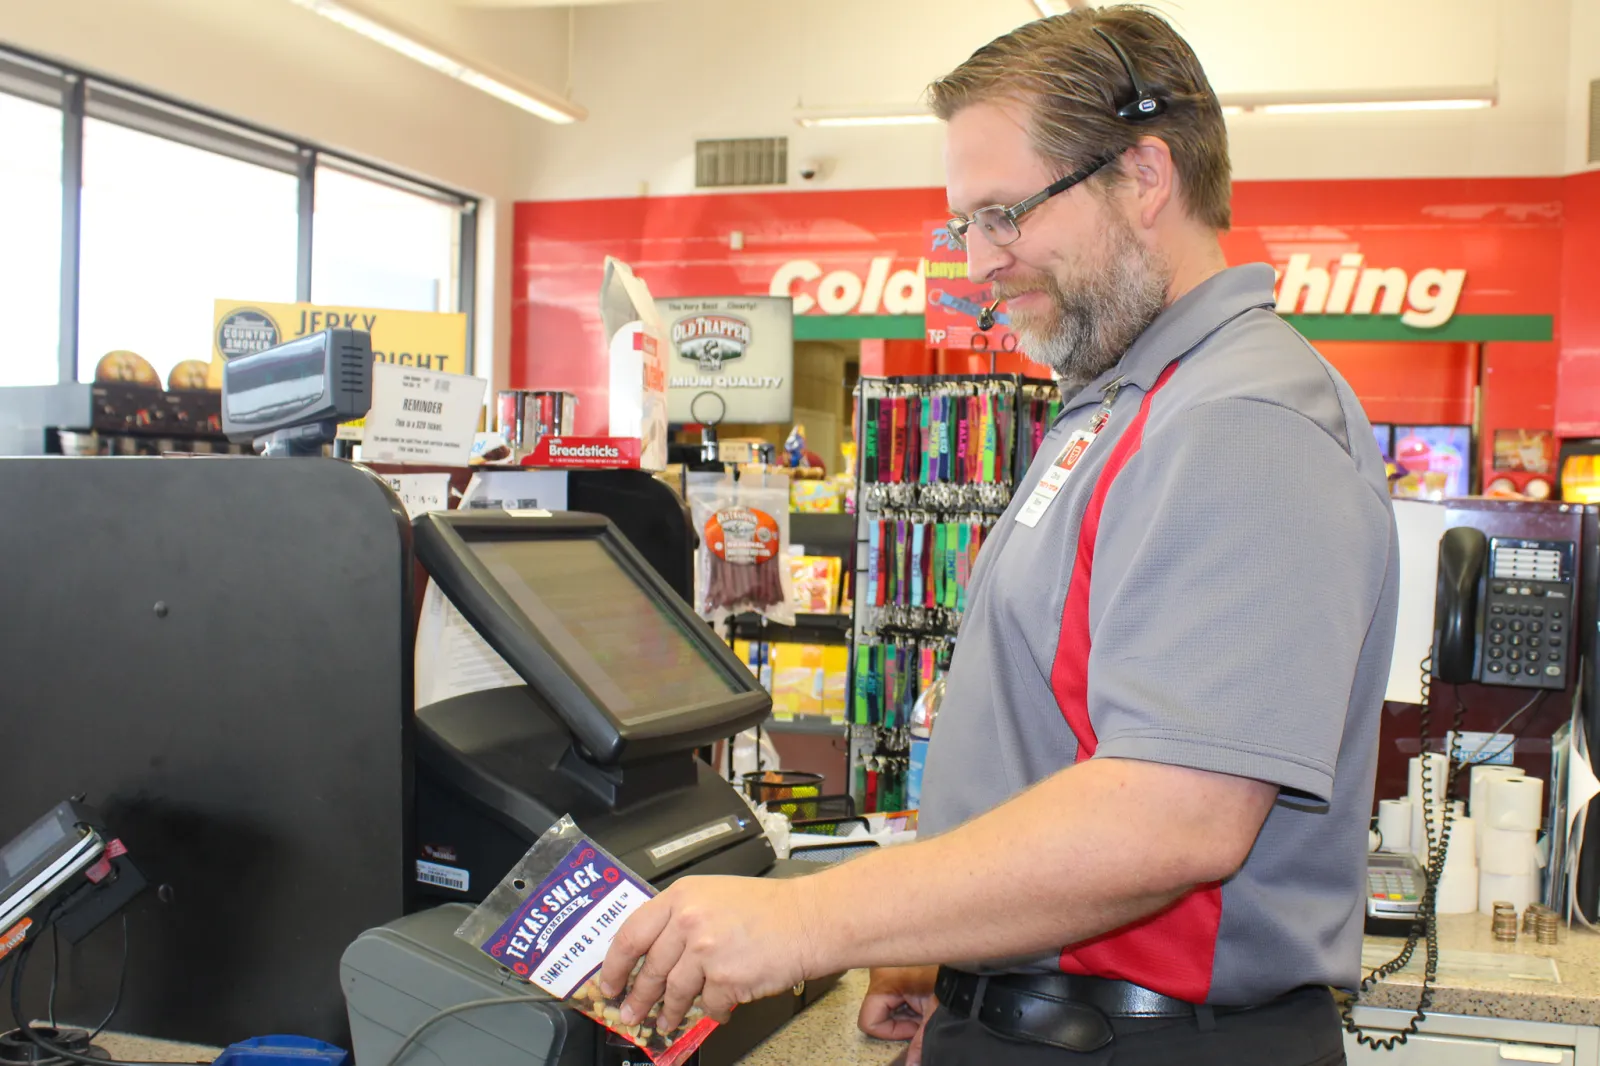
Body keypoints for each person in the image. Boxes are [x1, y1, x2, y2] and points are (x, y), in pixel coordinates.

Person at [598, 7, 1399, 1064]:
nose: (978, 261)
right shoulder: (1113, 403)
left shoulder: (1238, 420)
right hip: (1044, 1017)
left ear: (1144, 177)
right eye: (962, 225)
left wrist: (810, 918)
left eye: (1004, 213)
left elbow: (1174, 816)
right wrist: (944, 946)